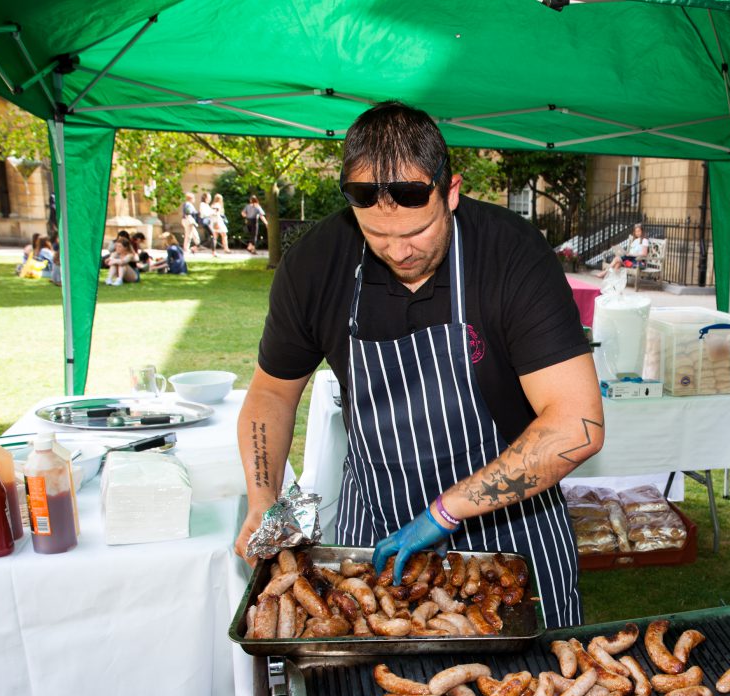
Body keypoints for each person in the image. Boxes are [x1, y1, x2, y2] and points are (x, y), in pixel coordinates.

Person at [233, 100, 603, 627]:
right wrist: (262, 498)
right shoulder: (316, 264)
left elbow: (577, 426)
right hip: (377, 524)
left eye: (415, 232)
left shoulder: (511, 256)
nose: (399, 252)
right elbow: (271, 393)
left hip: (512, 527)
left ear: (450, 192)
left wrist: (444, 512)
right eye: (378, 236)